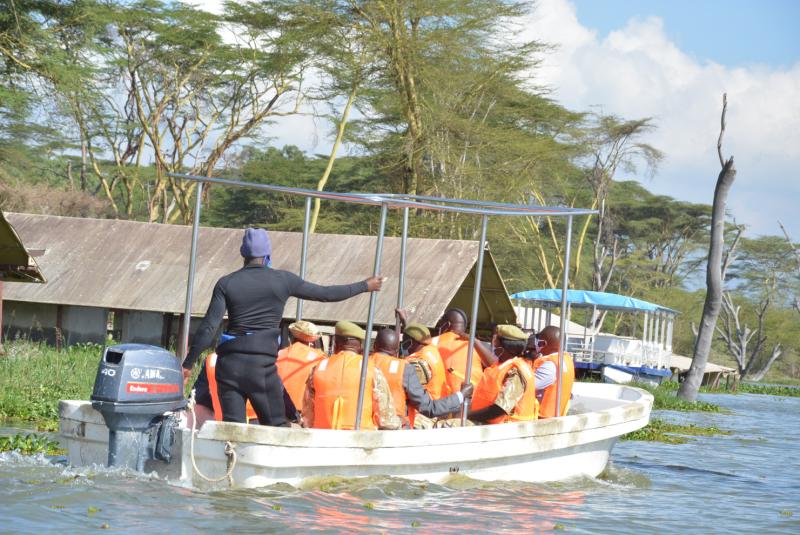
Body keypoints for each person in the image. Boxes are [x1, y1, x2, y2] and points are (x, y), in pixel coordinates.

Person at [182, 227, 384, 426]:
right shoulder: (283, 280)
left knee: (233, 430)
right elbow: (325, 294)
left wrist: (188, 364)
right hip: (260, 366)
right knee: (276, 427)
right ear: (268, 255)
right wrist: (365, 286)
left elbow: (208, 328)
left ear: (243, 254)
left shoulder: (226, 283)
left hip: (229, 366)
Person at [303, 321, 401, 430]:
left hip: (322, 436)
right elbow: (386, 419)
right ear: (360, 347)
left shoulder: (318, 368)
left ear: (335, 344)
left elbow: (307, 416)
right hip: (360, 437)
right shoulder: (370, 370)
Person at [370, 327, 472, 427]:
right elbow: (428, 407)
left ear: (374, 345)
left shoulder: (364, 363)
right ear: (396, 350)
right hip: (397, 425)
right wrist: (461, 395)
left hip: (371, 423)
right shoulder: (429, 354)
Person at [468, 324, 538, 424]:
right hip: (490, 423)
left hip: (507, 428)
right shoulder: (503, 364)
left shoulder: (517, 371)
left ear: (504, 348)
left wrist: (468, 415)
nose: (494, 346)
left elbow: (500, 409)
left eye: (496, 344)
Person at [432, 308, 494, 395]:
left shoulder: (433, 342)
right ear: (464, 327)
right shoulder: (476, 345)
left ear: (447, 325)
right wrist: (475, 341)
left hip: (440, 399)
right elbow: (494, 365)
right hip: (471, 398)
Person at [276, 320, 326, 412]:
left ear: (291, 338)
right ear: (312, 342)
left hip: (275, 407)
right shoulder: (319, 358)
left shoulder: (280, 353)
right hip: (300, 410)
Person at [531, 325, 575, 418]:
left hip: (543, 419)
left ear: (544, 343)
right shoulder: (563, 360)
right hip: (555, 415)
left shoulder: (550, 365)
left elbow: (527, 386)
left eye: (539, 341)